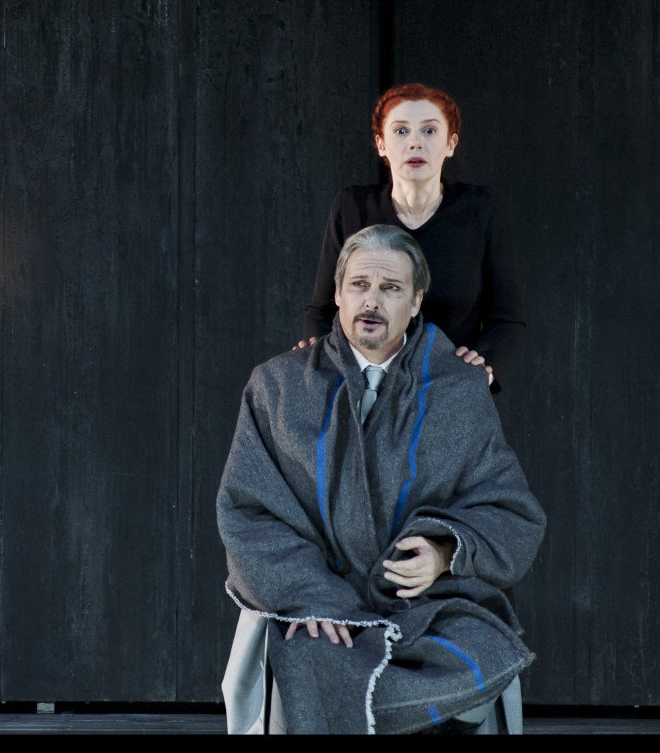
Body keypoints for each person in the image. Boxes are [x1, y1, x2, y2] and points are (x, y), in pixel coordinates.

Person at [219, 225, 545, 734]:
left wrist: (443, 553)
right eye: (359, 285)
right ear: (337, 293)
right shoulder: (277, 386)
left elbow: (511, 513)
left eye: (391, 288)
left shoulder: (459, 390)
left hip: (429, 609)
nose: (371, 301)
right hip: (319, 613)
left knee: (478, 653)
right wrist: (309, 594)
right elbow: (248, 510)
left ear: (416, 302)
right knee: (310, 662)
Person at [298, 84, 524, 392]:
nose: (415, 143)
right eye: (401, 131)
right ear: (381, 144)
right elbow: (322, 309)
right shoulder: (352, 207)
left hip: (447, 390)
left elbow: (507, 318)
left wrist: (484, 366)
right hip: (363, 387)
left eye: (429, 131)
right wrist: (321, 361)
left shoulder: (480, 210)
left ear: (450, 144)